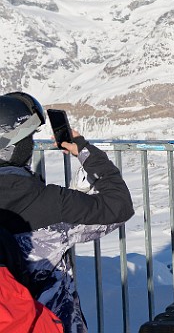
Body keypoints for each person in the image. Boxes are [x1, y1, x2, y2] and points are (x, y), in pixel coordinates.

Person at [0, 92, 134, 333]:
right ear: (16, 147)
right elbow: (118, 205)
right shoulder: (52, 202)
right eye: (29, 138)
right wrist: (85, 150)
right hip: (49, 324)